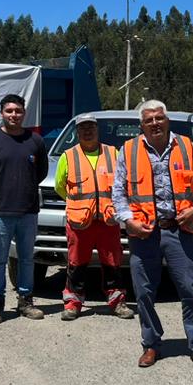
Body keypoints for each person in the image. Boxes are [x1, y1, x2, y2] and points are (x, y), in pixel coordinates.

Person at [112, 100, 193, 369]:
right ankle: (151, 345)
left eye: (159, 118)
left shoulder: (186, 146)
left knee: (191, 289)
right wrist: (128, 221)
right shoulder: (128, 150)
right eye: (148, 120)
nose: (155, 124)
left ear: (167, 120)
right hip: (144, 232)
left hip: (179, 230)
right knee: (144, 292)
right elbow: (118, 192)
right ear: (141, 125)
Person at [0, 93, 48, 322]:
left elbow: (41, 172)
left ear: (24, 113)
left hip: (28, 211)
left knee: (27, 258)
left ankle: (25, 301)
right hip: (0, 211)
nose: (14, 115)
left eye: (17, 111)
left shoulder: (35, 140)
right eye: (9, 111)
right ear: (2, 114)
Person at [55, 114, 133, 321]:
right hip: (80, 223)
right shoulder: (68, 156)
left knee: (113, 263)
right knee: (76, 263)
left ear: (97, 130)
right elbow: (59, 187)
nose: (87, 131)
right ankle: (73, 303)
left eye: (91, 127)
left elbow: (122, 183)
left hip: (108, 221)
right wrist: (78, 204)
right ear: (77, 132)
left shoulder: (113, 153)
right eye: (83, 128)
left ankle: (117, 301)